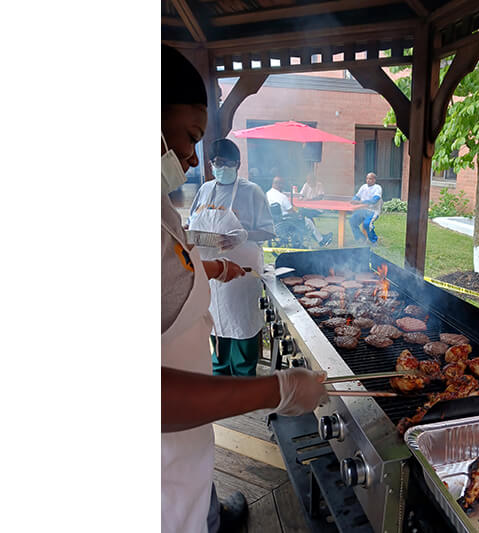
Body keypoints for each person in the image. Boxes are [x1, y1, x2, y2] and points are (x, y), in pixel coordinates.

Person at [161, 44, 327, 533]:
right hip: (158, 466)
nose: (193, 160)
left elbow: (170, 262)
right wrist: (273, 389)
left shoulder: (155, 203)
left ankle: (214, 513)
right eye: (190, 138)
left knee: (197, 481)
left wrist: (208, 267)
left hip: (185, 440)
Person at [188, 139, 275, 377]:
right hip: (212, 273)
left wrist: (244, 235)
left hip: (241, 274)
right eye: (215, 162)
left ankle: (244, 380)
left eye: (225, 162)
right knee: (216, 324)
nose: (219, 167)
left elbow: (268, 231)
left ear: (237, 164)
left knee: (242, 324)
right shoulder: (205, 189)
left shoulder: (252, 191)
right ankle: (221, 377)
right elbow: (193, 221)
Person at [267, 176, 333, 247]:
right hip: (286, 219)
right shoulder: (282, 197)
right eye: (282, 184)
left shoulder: (268, 194)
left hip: (275, 220)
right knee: (308, 221)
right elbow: (291, 211)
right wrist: (298, 214)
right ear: (279, 184)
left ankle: (319, 237)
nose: (283, 186)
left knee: (303, 215)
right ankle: (321, 240)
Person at [350, 172, 383, 244]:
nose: (368, 180)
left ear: (374, 180)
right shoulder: (363, 186)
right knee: (352, 221)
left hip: (373, 211)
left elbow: (374, 200)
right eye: (367, 178)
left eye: (370, 179)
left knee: (367, 224)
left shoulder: (377, 188)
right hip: (362, 210)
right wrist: (353, 200)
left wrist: (360, 202)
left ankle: (373, 241)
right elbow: (357, 196)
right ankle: (361, 238)